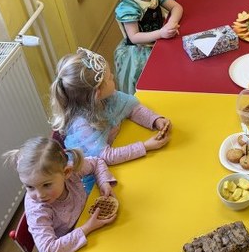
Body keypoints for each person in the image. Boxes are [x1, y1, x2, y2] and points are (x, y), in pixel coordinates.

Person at [3, 138, 117, 252]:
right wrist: (87, 228)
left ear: (66, 172)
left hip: (87, 229)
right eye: (29, 187)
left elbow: (97, 162)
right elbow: (50, 251)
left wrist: (104, 183)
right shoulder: (37, 209)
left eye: (46, 185)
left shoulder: (72, 170)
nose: (39, 195)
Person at [50, 48, 171, 193]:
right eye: (108, 78)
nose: (113, 76)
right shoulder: (81, 125)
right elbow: (106, 156)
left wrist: (154, 119)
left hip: (117, 156)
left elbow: (132, 108)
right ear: (97, 93)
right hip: (94, 179)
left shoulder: (108, 97)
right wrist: (145, 146)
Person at [114, 0, 183, 94]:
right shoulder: (128, 6)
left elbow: (177, 7)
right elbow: (134, 37)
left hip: (160, 39)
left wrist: (172, 22)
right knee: (151, 85)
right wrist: (161, 33)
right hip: (141, 52)